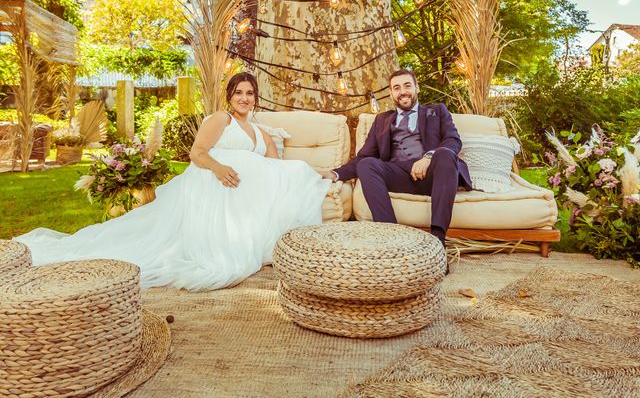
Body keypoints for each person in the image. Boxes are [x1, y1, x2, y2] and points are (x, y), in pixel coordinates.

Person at [15, 72, 331, 291]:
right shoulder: (221, 119)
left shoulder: (262, 132)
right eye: (239, 93)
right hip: (214, 182)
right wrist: (219, 168)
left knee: (296, 173)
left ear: (256, 98)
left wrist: (315, 173)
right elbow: (197, 153)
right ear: (230, 96)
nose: (245, 98)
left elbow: (276, 167)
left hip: (244, 192)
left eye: (250, 94)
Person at [321, 68, 472, 249]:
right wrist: (335, 173)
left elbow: (453, 140)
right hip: (399, 175)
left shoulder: (437, 111)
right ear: (392, 94)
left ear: (417, 88)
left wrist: (428, 157)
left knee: (446, 154)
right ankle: (392, 237)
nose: (403, 92)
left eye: (407, 86)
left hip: (435, 175)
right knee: (367, 164)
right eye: (397, 88)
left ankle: (438, 239)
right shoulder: (382, 120)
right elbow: (364, 156)